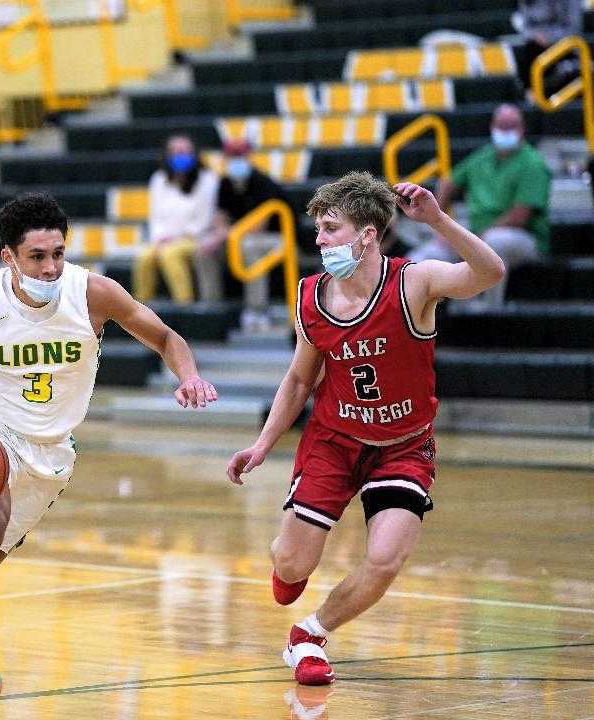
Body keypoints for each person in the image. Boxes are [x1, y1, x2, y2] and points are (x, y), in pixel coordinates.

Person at [0, 192, 218, 719]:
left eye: (58, 253)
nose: (51, 267)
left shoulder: (92, 293)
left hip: (53, 449)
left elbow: (166, 337)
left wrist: (190, 376)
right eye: (37, 256)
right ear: (8, 258)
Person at [226, 172, 504, 686]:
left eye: (330, 228)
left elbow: (490, 272)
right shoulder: (311, 296)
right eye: (318, 228)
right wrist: (262, 445)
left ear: (367, 234)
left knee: (385, 558)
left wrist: (439, 219)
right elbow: (298, 379)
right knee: (290, 564)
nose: (319, 240)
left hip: (404, 446)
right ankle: (291, 565)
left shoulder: (413, 281)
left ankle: (310, 634)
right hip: (335, 441)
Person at [406, 104, 549, 307]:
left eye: (511, 126)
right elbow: (448, 183)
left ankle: (490, 311)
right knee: (422, 256)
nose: (506, 131)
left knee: (493, 242)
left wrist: (470, 239)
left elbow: (519, 216)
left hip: (523, 238)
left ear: (522, 129)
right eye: (502, 126)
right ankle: (419, 318)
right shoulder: (483, 157)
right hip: (476, 233)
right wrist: (440, 223)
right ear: (492, 127)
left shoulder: (533, 163)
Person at [206, 137, 290, 328]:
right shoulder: (225, 183)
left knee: (249, 246)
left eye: (240, 156)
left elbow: (259, 226)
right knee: (205, 249)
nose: (236, 160)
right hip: (237, 237)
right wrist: (219, 234)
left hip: (278, 238)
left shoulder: (263, 182)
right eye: (232, 156)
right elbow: (220, 216)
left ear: (248, 156)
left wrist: (226, 234)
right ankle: (213, 310)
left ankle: (257, 310)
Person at [132, 135, 220, 305]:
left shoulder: (208, 179)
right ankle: (141, 310)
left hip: (195, 238)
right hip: (163, 238)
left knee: (170, 254)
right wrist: (160, 238)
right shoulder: (158, 179)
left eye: (185, 152)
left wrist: (175, 238)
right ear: (168, 155)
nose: (181, 156)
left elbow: (204, 220)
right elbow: (155, 217)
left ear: (194, 154)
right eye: (177, 152)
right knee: (144, 256)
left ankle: (184, 306)